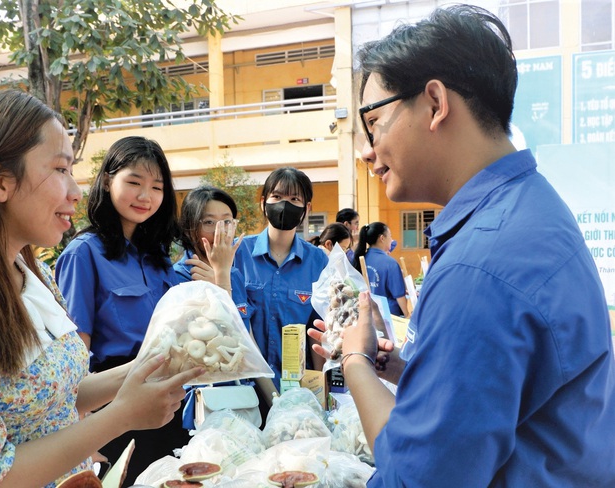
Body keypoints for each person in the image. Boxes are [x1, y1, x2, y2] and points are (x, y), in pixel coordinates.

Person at [310, 5, 615, 487]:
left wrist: (356, 360)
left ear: (435, 103)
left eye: (374, 123)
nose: (368, 149)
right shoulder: (531, 207)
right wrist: (405, 369)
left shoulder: (480, 264)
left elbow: (416, 478)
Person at [0, 90, 203, 488]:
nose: (75, 190)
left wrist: (155, 366)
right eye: (59, 169)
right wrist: (121, 416)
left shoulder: (30, 273)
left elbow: (57, 392)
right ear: (0, 182)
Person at [54, 136, 188, 485]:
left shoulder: (158, 259)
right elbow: (73, 357)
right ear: (107, 181)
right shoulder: (83, 254)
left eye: (157, 187)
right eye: (134, 182)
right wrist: (85, 435)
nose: (146, 196)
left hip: (167, 400)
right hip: (114, 403)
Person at [234, 167, 328, 402]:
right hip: (245, 390)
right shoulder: (237, 252)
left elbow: (318, 330)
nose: (284, 205)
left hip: (296, 392)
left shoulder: (318, 261)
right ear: (263, 203)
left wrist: (319, 391)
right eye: (277, 197)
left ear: (306, 209)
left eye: (294, 199)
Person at [174, 185, 249, 328]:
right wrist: (219, 285)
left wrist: (221, 277)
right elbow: (212, 338)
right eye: (209, 222)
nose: (219, 231)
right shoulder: (179, 278)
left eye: (227, 222)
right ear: (189, 229)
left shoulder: (234, 274)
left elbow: (246, 336)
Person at [352, 222, 408, 317]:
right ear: (382, 238)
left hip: (367, 314)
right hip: (389, 316)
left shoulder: (359, 259)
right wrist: (407, 315)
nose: (391, 239)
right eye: (390, 236)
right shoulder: (390, 263)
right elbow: (399, 295)